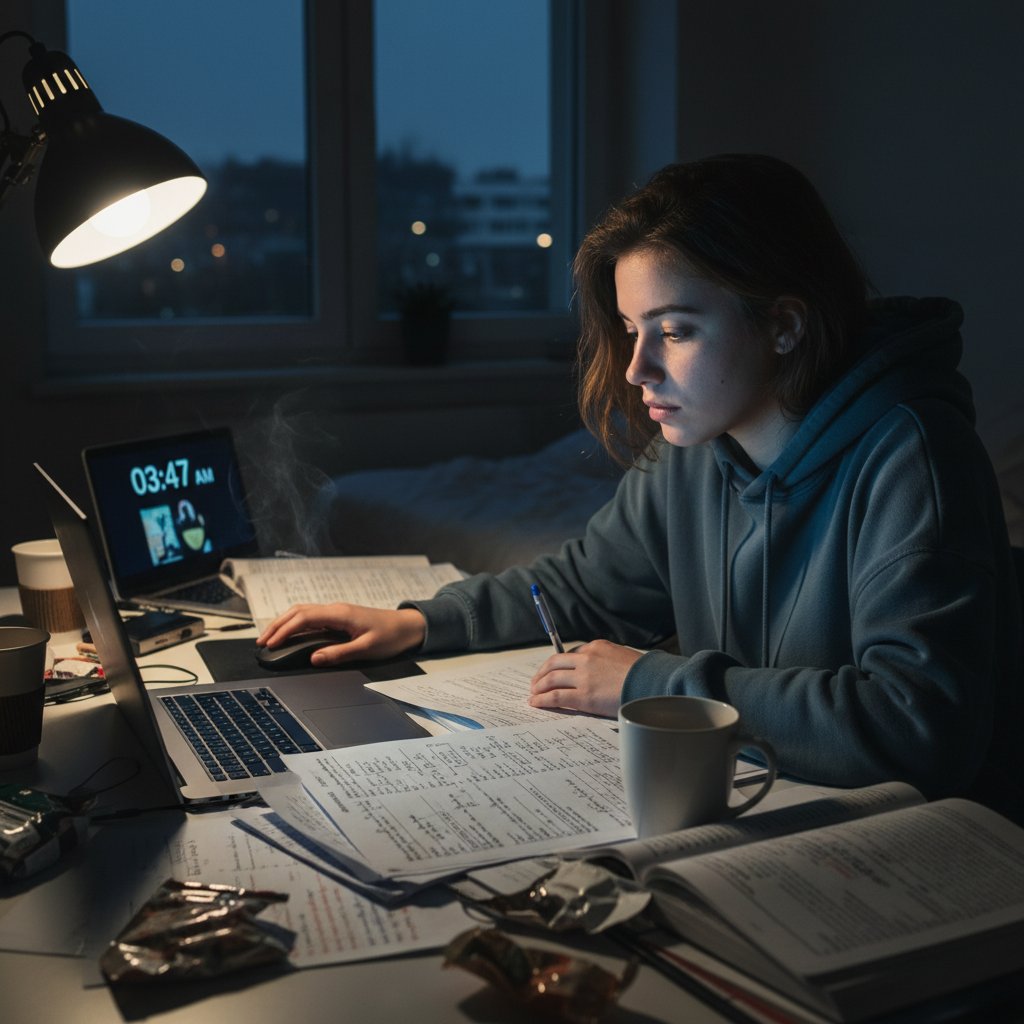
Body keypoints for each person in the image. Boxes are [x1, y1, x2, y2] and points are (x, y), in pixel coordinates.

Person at [258, 154, 1022, 815]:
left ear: (784, 325)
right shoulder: (694, 448)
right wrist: (421, 623)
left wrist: (651, 685)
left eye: (676, 330)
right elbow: (585, 588)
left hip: (933, 841)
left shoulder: (913, 457)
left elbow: (914, 728)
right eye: (631, 331)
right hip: (768, 797)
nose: (636, 370)